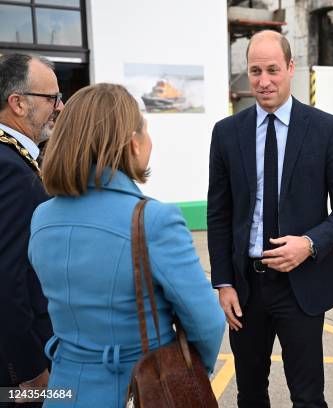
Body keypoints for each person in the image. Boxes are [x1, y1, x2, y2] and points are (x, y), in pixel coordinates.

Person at [28, 83, 225, 407]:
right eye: (144, 129)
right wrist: (185, 373)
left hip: (64, 390)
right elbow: (207, 322)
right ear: (131, 143)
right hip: (138, 391)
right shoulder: (154, 220)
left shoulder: (42, 217)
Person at [207, 30, 333, 407]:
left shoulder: (326, 129)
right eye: (255, 71)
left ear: (291, 68)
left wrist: (309, 245)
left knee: (308, 397)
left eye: (273, 70)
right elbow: (219, 212)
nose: (263, 81)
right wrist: (224, 283)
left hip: (302, 285)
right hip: (247, 287)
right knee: (250, 395)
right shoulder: (227, 133)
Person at [0, 53, 63, 405]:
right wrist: (28, 369)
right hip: (19, 363)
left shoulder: (13, 159)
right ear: (18, 103)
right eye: (51, 97)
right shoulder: (12, 170)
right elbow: (8, 280)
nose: (59, 106)